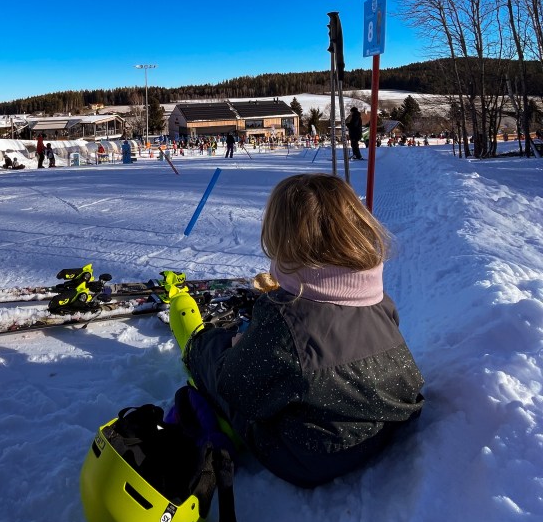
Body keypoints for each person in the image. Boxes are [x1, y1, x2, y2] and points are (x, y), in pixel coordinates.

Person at [168, 173, 424, 488]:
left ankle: (195, 342)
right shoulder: (378, 297)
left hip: (311, 456)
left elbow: (233, 386)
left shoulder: (285, 319)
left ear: (282, 239)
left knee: (216, 354)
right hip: (382, 427)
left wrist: (220, 346)